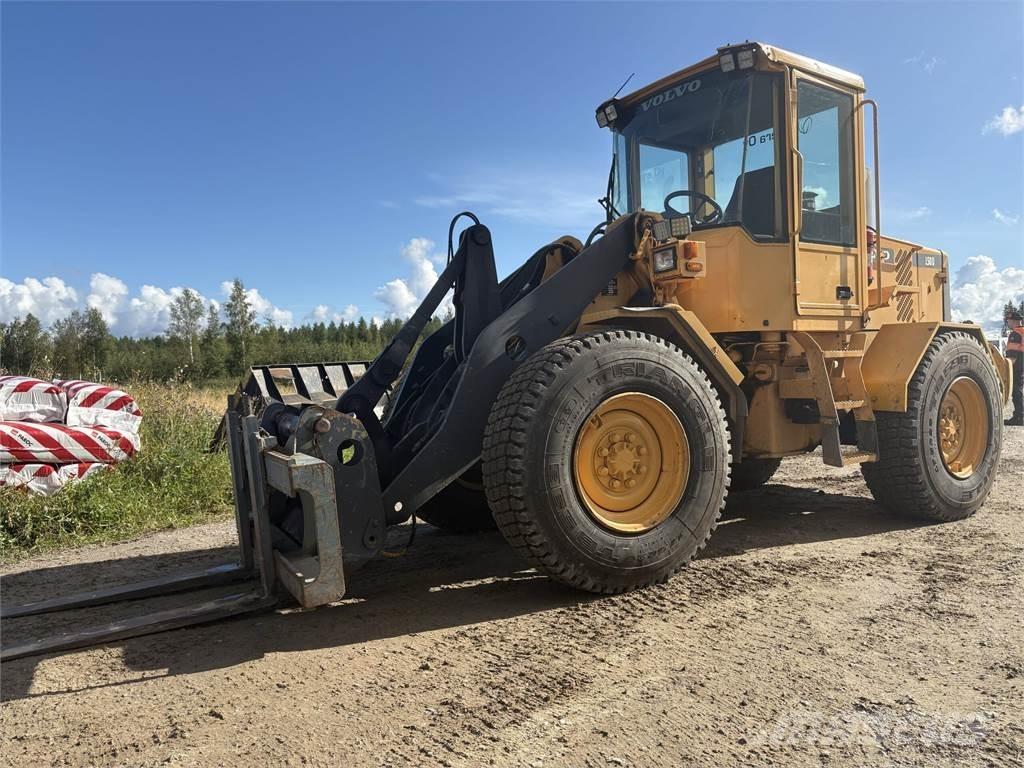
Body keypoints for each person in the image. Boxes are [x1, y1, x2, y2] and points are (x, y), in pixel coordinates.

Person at [1005, 308, 1024, 427]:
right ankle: (1020, 415)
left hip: (1016, 367)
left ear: (1015, 321)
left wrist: (1006, 369)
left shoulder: (1015, 334)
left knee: (1016, 391)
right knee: (1019, 390)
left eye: (1009, 320)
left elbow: (1012, 355)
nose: (1008, 322)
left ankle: (1019, 416)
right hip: (1022, 365)